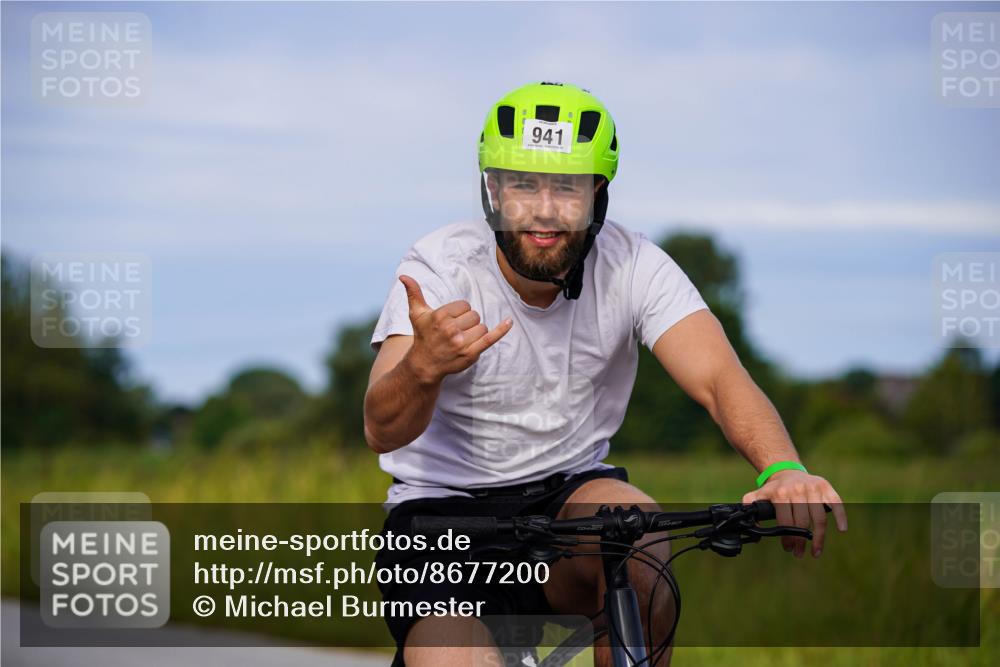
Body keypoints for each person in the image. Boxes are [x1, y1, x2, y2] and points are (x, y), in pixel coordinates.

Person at [364, 81, 848, 667]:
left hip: (569, 496)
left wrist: (783, 469)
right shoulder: (440, 267)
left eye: (567, 187)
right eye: (524, 185)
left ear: (598, 192)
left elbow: (720, 379)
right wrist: (422, 367)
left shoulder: (635, 264)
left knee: (641, 538)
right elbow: (381, 430)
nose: (545, 209)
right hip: (444, 517)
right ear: (492, 189)